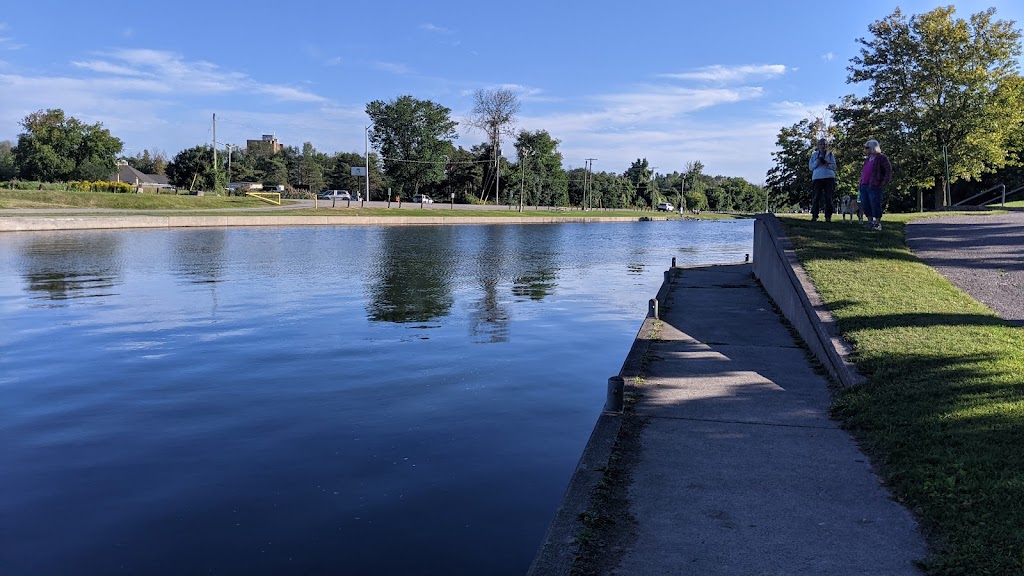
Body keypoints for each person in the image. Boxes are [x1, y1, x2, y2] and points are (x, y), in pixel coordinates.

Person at [859, 139, 893, 230]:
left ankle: (878, 223)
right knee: (865, 203)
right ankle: (870, 221)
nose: (865, 150)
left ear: (873, 148)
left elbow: (888, 170)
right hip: (864, 184)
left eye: (867, 148)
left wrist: (884, 181)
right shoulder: (867, 159)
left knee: (875, 203)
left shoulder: (881, 158)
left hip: (875, 184)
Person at [808, 138, 837, 222]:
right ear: (818, 146)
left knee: (829, 197)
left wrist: (827, 163)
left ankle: (828, 216)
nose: (822, 146)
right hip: (817, 178)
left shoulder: (830, 155)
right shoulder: (814, 155)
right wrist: (817, 162)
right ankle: (814, 215)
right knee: (816, 197)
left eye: (824, 144)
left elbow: (834, 167)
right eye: (821, 144)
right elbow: (810, 167)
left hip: (829, 177)